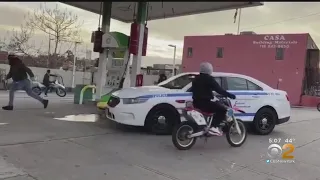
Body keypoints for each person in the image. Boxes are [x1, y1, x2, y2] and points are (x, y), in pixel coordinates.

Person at [190, 62, 236, 135]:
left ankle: (208, 126)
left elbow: (199, 89)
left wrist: (210, 93)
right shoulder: (209, 79)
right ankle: (214, 127)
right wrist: (230, 95)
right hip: (205, 104)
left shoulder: (196, 79)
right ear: (209, 69)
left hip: (195, 103)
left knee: (215, 107)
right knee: (222, 110)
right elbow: (219, 89)